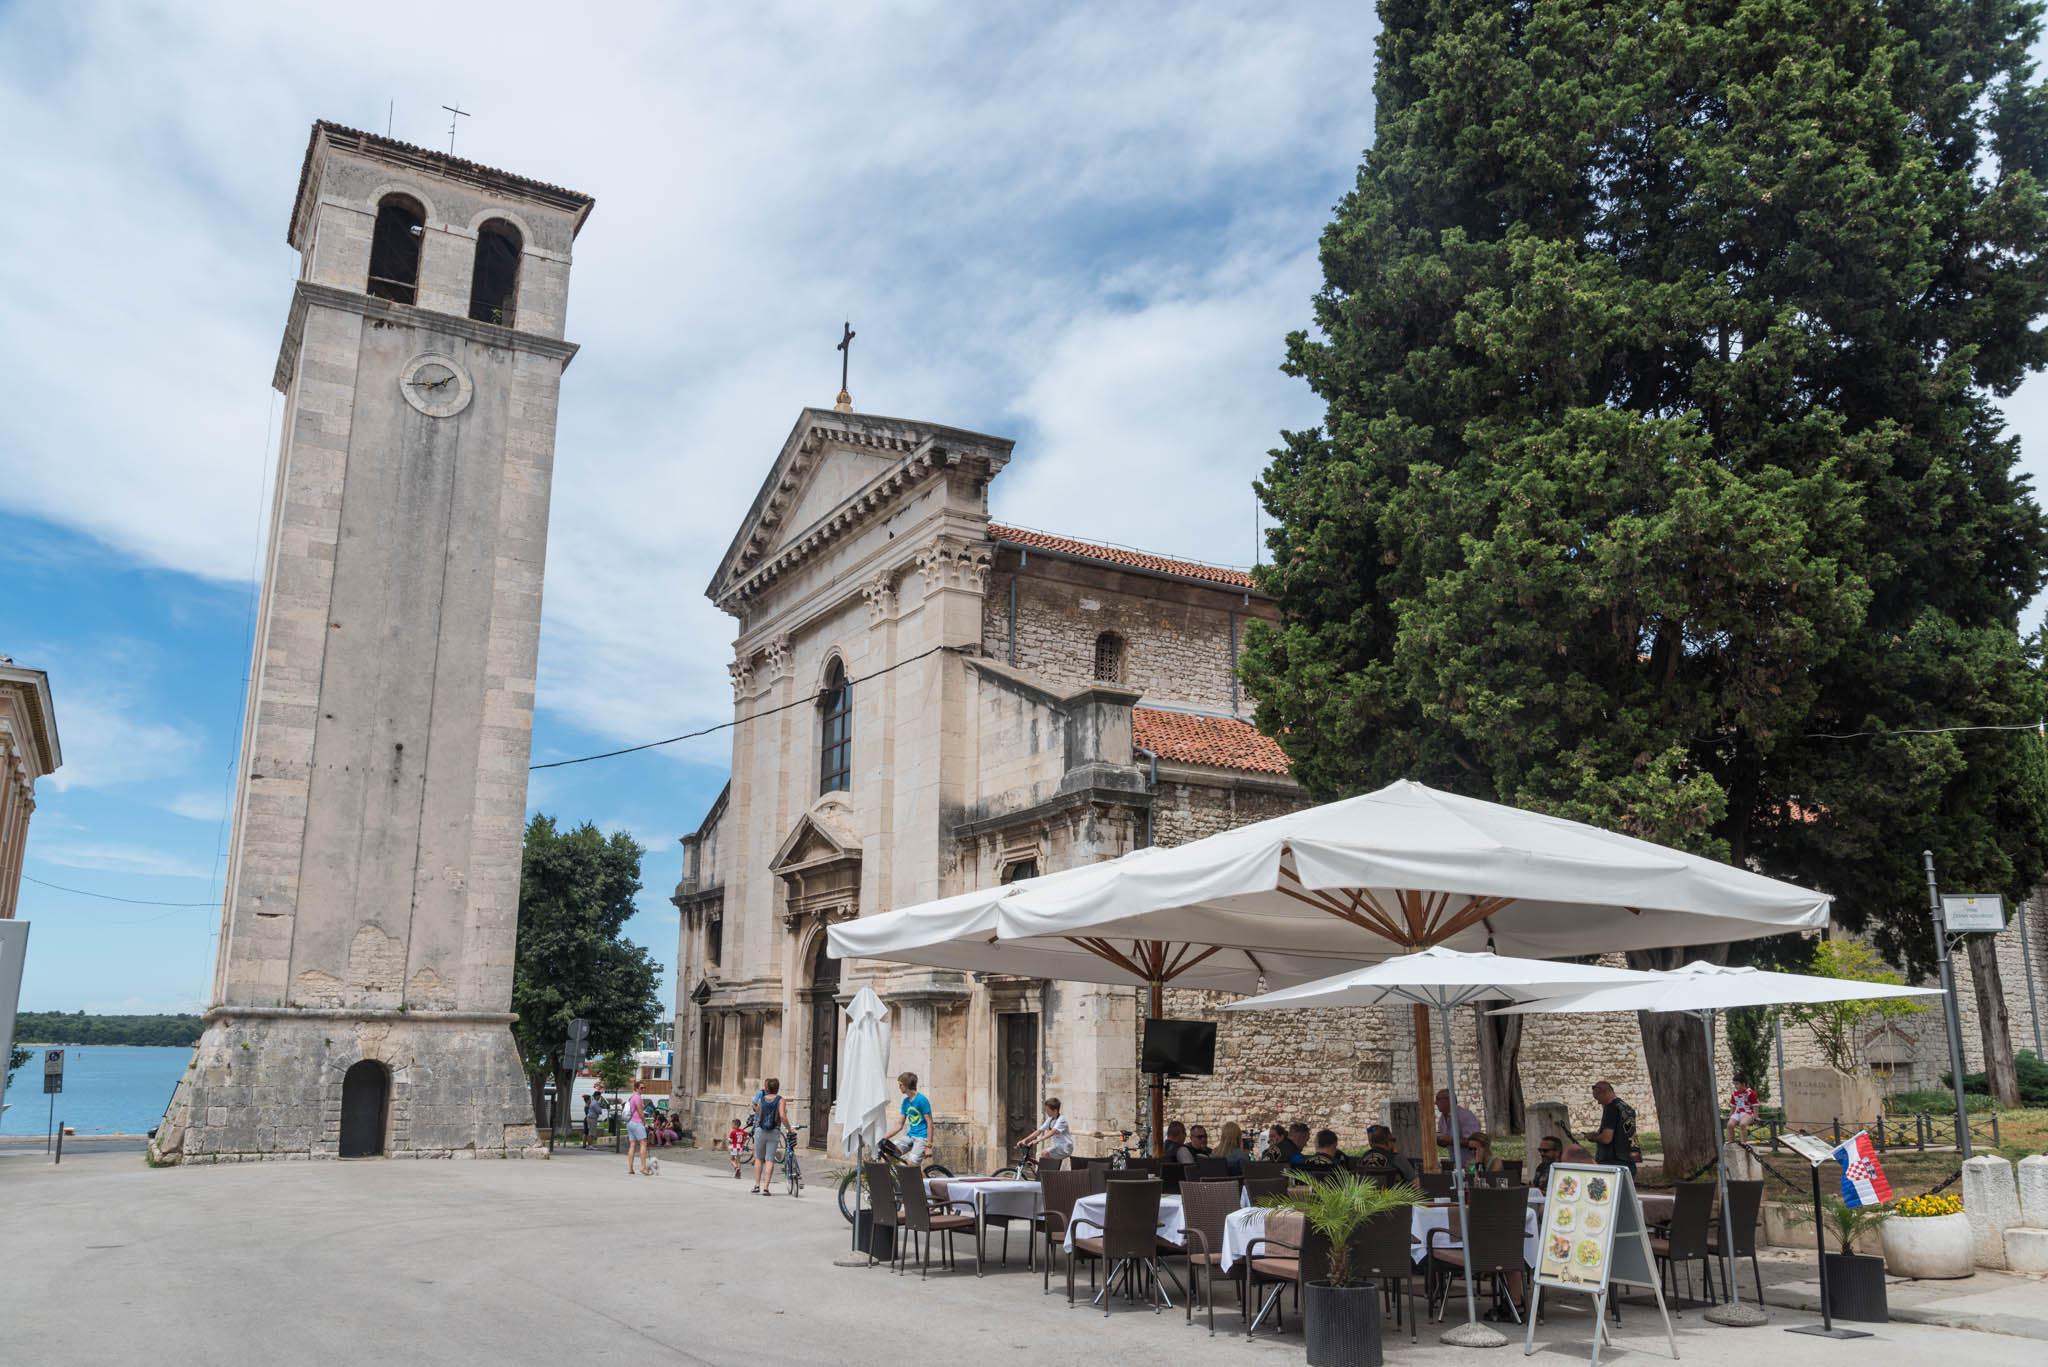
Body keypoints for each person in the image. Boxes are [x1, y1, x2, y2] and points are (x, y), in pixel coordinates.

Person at [883, 1071, 933, 1164]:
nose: (899, 1087)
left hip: (922, 1137)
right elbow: (899, 1125)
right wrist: (883, 1138)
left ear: (905, 1085)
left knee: (912, 1165)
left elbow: (929, 1123)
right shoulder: (906, 1102)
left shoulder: (921, 1100)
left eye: (900, 1084)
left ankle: (920, 1176)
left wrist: (929, 1146)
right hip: (911, 1135)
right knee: (890, 1152)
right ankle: (901, 1175)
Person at [1591, 1080, 1637, 1171]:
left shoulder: (1611, 1108)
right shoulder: (1626, 1107)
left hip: (1613, 1161)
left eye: (1597, 1098)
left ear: (1603, 1092)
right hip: (1629, 1158)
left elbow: (1606, 1138)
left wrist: (1593, 1137)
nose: (1598, 1102)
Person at [752, 1077, 786, 1194]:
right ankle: (766, 1187)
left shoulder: (761, 1099)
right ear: (777, 1088)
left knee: (758, 1158)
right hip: (774, 1131)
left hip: (760, 1130)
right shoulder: (780, 1100)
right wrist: (789, 1128)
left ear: (767, 1088)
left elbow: (758, 1112)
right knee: (770, 1159)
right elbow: (782, 1115)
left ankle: (757, 1185)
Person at [1019, 1096, 1073, 1163]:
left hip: (1065, 1148)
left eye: (1048, 1110)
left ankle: (1049, 1173)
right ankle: (1051, 1172)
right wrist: (1025, 1139)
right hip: (1058, 1147)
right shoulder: (1050, 1119)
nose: (1046, 1112)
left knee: (1044, 1153)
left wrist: (1038, 1140)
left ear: (1055, 1111)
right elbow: (1039, 1131)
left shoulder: (1062, 1120)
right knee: (1044, 1157)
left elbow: (1052, 1132)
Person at [1434, 1089, 1481, 1155]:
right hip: (1455, 1161)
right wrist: (1438, 1140)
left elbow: (1476, 1142)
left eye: (1438, 1099)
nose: (1435, 1103)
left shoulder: (1465, 1116)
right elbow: (1446, 1143)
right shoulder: (1442, 1119)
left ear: (1448, 1100)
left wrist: (1450, 1141)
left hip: (1470, 1162)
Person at [624, 1080, 650, 1176]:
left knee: (632, 1145)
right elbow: (640, 1112)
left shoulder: (632, 1097)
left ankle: (630, 1168)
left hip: (630, 1123)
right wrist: (645, 1122)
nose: (643, 1089)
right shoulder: (637, 1098)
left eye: (644, 1088)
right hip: (637, 1122)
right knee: (643, 1143)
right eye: (641, 1088)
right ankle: (643, 1167)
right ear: (636, 1088)